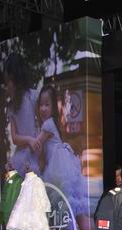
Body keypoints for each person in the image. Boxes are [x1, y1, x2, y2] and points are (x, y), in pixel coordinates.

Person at [37, 85, 87, 217]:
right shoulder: (53, 122)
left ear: (53, 107)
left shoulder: (48, 124)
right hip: (63, 170)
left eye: (47, 104)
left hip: (57, 173)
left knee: (59, 210)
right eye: (41, 104)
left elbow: (36, 144)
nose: (43, 108)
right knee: (72, 214)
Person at [3, 52, 40, 177]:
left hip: (36, 151)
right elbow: (14, 138)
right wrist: (29, 140)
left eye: (9, 81)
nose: (7, 85)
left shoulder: (32, 96)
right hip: (21, 157)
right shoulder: (12, 107)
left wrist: (36, 141)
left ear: (16, 79)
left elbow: (42, 125)